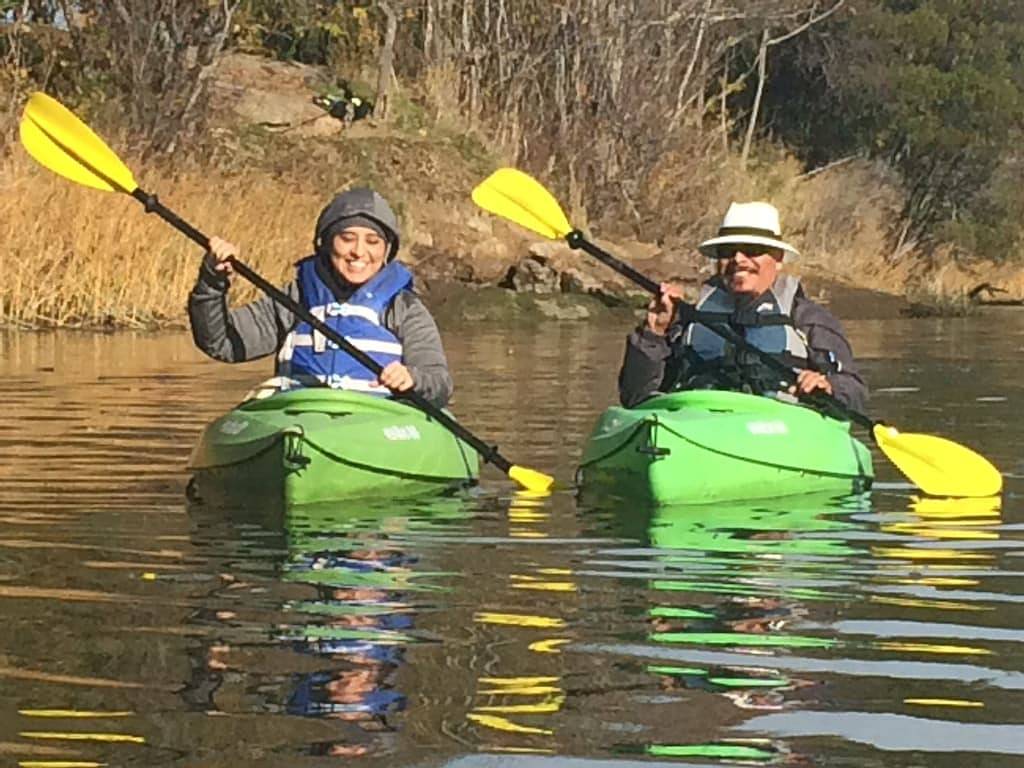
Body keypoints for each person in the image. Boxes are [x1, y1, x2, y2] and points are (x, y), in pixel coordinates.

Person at [188, 187, 453, 407]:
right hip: (300, 416)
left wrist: (413, 378)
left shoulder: (404, 308)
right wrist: (212, 282)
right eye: (347, 239)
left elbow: (439, 383)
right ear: (326, 243)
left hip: (377, 421)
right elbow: (221, 343)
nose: (359, 252)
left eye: (373, 242)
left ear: (386, 251)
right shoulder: (295, 298)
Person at [618, 201, 867, 413]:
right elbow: (635, 397)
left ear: (777, 260)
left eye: (753, 250)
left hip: (778, 428)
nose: (738, 259)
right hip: (696, 424)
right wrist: (654, 332)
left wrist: (829, 386)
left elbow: (854, 391)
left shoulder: (808, 319)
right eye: (728, 251)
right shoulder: (687, 320)